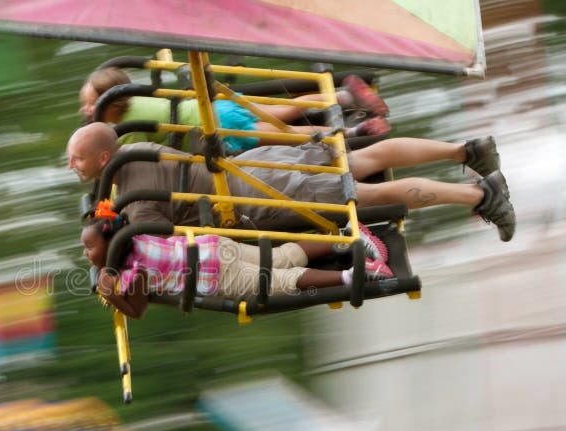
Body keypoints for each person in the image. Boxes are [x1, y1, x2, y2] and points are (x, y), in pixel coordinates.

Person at [67, 123, 516, 241]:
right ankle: (466, 150)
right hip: (258, 165)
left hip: (263, 194)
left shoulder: (130, 191)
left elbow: (151, 234)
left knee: (367, 195)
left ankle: (480, 194)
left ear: (103, 158)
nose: (71, 166)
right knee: (363, 159)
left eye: (76, 158)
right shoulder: (136, 151)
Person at [81, 212, 394, 320]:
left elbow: (136, 309)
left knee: (279, 281)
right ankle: (347, 239)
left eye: (89, 246)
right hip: (213, 246)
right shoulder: (136, 236)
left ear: (111, 246)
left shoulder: (134, 270)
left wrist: (111, 294)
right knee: (282, 256)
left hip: (215, 274)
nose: (85, 253)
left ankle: (355, 273)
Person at [79, 67, 391, 153]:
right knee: (286, 110)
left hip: (220, 130)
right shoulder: (137, 98)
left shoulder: (123, 129)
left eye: (91, 102)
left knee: (291, 135)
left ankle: (351, 132)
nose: (87, 110)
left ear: (111, 101)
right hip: (218, 108)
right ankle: (345, 96)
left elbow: (129, 155)